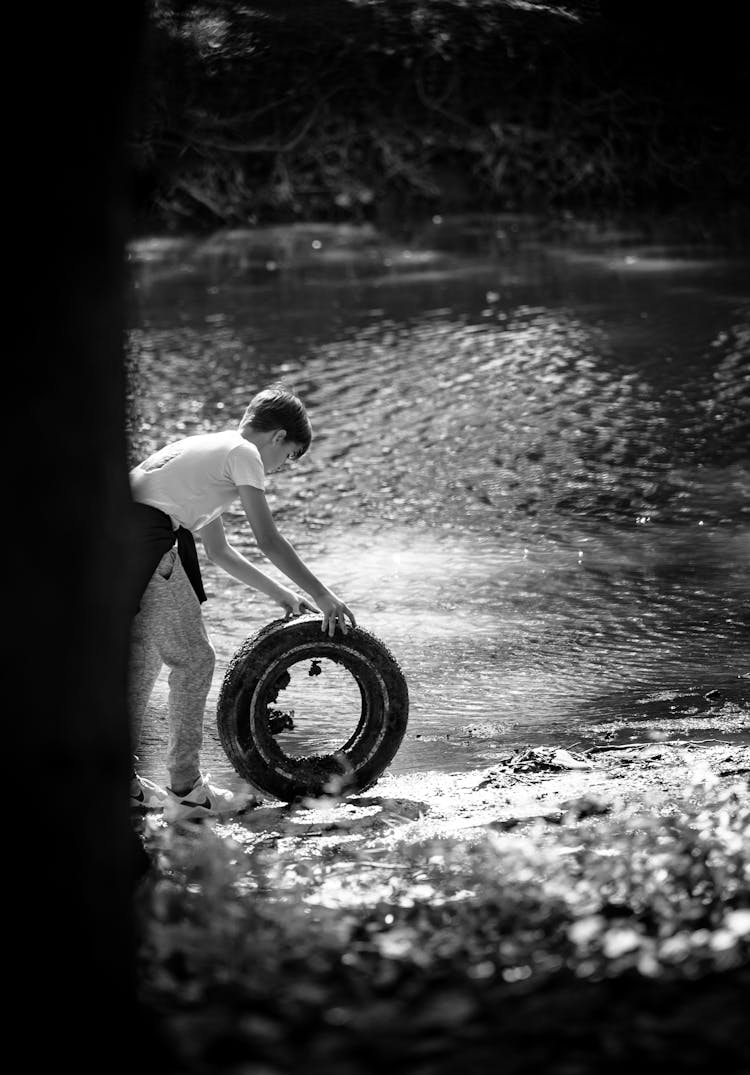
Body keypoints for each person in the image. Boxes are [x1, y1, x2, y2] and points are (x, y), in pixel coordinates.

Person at [127, 384, 356, 821]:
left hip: (119, 534)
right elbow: (268, 539)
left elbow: (220, 552)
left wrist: (283, 595)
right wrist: (323, 595)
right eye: (289, 457)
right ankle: (188, 789)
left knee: (147, 656)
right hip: (147, 538)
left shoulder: (209, 451)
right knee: (194, 660)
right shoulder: (244, 454)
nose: (281, 467)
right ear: (277, 438)